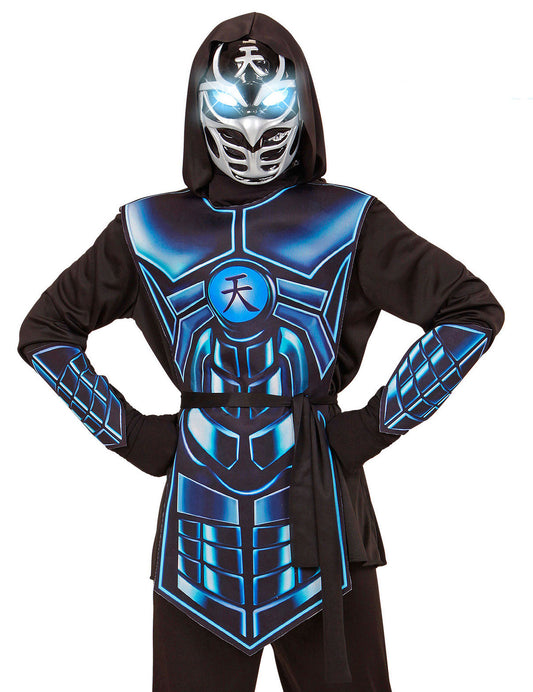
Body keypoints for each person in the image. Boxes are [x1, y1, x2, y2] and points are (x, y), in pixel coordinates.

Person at [17, 12, 505, 692]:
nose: (250, 129)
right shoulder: (149, 227)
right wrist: (133, 436)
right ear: (202, 110)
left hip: (323, 521)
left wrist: (369, 429)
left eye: (270, 107)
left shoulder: (346, 220)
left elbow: (470, 312)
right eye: (231, 107)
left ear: (301, 108)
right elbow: (46, 332)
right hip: (201, 531)